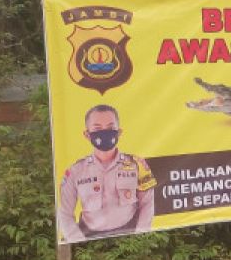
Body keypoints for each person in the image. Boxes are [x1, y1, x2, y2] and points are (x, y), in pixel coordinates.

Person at [57, 104, 156, 242]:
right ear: (87, 134)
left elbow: (147, 204)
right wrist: (78, 241)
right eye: (97, 128)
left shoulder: (137, 165)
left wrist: (139, 238)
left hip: (129, 234)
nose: (105, 132)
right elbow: (64, 213)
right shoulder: (75, 171)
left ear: (119, 132)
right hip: (89, 236)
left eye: (110, 128)